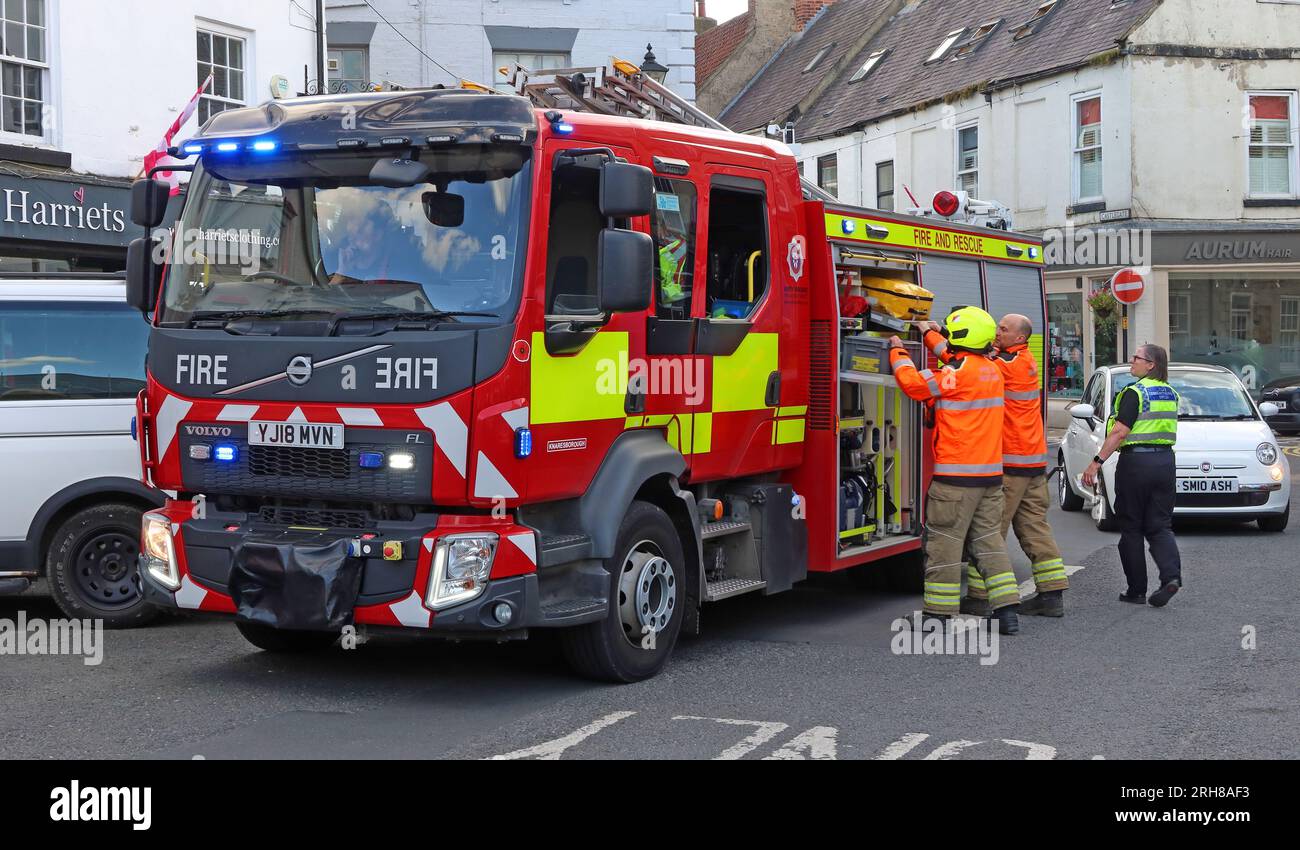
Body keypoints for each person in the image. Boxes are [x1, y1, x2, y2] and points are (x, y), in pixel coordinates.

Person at [919, 314, 1069, 617]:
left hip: (1010, 463)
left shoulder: (1000, 366)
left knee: (988, 534)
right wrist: (939, 332)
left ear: (1020, 339)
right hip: (1033, 462)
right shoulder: (1023, 361)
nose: (997, 333)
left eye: (1004, 329)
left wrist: (929, 335)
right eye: (997, 327)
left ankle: (979, 597)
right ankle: (1051, 595)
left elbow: (958, 361)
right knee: (1034, 528)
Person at [889, 306, 1021, 635]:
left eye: (950, 331)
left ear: (961, 337)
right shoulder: (991, 369)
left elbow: (912, 384)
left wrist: (897, 351)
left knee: (944, 544)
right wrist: (928, 331)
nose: (947, 336)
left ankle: (938, 614)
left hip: (955, 480)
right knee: (990, 542)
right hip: (989, 479)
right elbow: (951, 354)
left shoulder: (954, 374)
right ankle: (1007, 612)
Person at [1082, 344, 1182, 607]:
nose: (1131, 361)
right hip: (1164, 462)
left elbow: (1119, 432)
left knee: (1132, 528)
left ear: (1151, 365)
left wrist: (1096, 462)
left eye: (1137, 357)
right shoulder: (1171, 393)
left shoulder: (1134, 392)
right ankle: (1171, 577)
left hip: (1136, 463)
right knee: (1160, 526)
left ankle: (1136, 590)